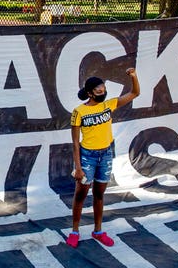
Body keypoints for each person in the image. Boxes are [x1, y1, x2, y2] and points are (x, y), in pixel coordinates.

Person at [66, 68, 140, 248]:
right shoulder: (79, 112)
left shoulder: (109, 105)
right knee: (80, 194)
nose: (103, 93)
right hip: (87, 156)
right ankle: (75, 231)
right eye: (99, 91)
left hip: (105, 154)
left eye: (104, 90)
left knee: (99, 194)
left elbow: (135, 93)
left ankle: (98, 231)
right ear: (90, 93)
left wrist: (133, 77)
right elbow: (75, 142)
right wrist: (78, 167)